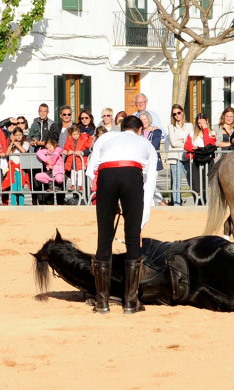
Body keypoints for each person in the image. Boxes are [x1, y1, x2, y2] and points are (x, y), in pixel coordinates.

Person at [85, 115, 158, 314]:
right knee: (132, 237)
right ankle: (130, 302)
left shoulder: (105, 138)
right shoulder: (146, 143)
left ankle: (102, 303)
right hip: (132, 175)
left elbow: (91, 171)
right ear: (140, 130)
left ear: (121, 127)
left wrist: (109, 197)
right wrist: (141, 222)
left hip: (107, 175)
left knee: (104, 237)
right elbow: (149, 183)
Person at [28, 103, 59, 205]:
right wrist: (32, 142)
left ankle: (48, 203)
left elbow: (53, 140)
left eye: (45, 111)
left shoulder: (52, 124)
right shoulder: (34, 123)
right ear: (38, 111)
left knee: (48, 178)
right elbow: (30, 136)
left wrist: (39, 143)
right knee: (35, 179)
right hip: (35, 155)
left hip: (48, 157)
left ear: (48, 112)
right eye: (41, 111)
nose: (42, 113)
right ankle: (36, 202)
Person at [184, 113, 217, 204]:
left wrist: (205, 130)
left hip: (208, 161)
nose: (201, 125)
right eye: (199, 123)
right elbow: (186, 146)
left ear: (207, 121)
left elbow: (209, 145)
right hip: (196, 161)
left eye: (203, 123)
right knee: (196, 184)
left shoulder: (212, 133)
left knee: (207, 183)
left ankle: (206, 202)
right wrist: (193, 148)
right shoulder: (192, 134)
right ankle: (197, 202)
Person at [140, 110, 166, 206]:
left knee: (150, 185)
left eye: (145, 119)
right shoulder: (139, 132)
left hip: (153, 162)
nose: (143, 121)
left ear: (149, 119)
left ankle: (150, 206)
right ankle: (161, 201)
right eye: (141, 119)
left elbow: (154, 145)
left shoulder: (156, 131)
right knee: (145, 185)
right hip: (142, 163)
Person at [167, 104, 193, 206]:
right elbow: (173, 143)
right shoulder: (171, 127)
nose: (177, 116)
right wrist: (184, 142)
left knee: (191, 180)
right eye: (174, 114)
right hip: (175, 157)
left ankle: (198, 201)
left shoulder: (189, 126)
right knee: (176, 183)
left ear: (182, 112)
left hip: (187, 156)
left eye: (178, 113)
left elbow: (191, 141)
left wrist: (183, 142)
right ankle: (177, 204)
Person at [3, 127, 30, 205]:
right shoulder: (11, 145)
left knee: (20, 187)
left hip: (21, 168)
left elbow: (23, 151)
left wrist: (15, 143)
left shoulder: (25, 143)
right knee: (14, 187)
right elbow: (7, 153)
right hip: (13, 169)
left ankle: (21, 204)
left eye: (20, 135)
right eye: (16, 135)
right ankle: (13, 205)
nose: (18, 137)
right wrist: (12, 143)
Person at [64, 125, 93, 192]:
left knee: (80, 173)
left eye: (77, 134)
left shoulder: (83, 139)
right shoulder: (69, 139)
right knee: (73, 173)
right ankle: (73, 185)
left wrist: (90, 138)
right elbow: (66, 146)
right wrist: (69, 150)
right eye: (74, 134)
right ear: (71, 134)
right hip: (72, 160)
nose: (76, 136)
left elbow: (88, 145)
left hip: (80, 160)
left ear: (79, 133)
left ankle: (80, 186)